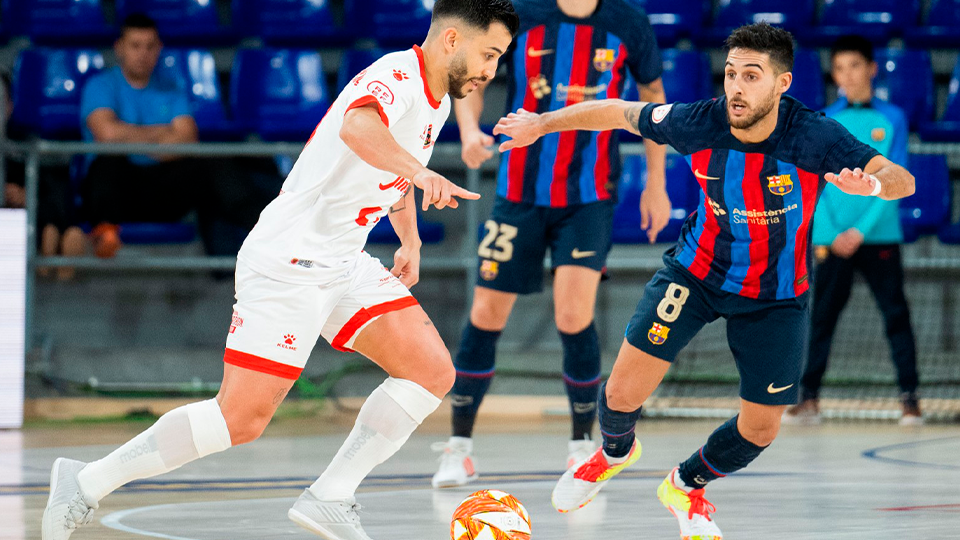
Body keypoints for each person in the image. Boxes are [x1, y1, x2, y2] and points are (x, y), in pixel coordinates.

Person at [41, 2, 518, 540]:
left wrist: (408, 237)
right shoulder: (395, 75)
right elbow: (360, 128)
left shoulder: (434, 100)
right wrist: (420, 173)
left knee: (432, 372)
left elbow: (391, 169)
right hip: (289, 260)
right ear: (452, 40)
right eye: (490, 53)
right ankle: (84, 481)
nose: (491, 70)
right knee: (238, 421)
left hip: (343, 260)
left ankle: (330, 497)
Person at [493, 23, 914, 539]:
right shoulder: (697, 120)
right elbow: (615, 111)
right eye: (732, 73)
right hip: (695, 274)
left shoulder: (816, 135)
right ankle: (613, 452)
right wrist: (542, 123)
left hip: (776, 296)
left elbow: (902, 179)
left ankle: (685, 485)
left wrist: (870, 183)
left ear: (782, 84)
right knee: (621, 393)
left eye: (751, 76)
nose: (736, 87)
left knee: (761, 429)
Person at [432, 0, 671, 488]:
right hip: (520, 192)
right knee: (485, 314)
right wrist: (471, 130)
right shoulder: (522, 13)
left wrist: (657, 184)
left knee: (572, 315)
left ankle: (583, 448)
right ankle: (459, 448)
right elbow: (470, 75)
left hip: (590, 196)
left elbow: (654, 103)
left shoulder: (627, 22)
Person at [783, 35, 921, 426]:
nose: (847, 75)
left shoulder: (892, 117)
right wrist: (833, 232)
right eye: (839, 68)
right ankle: (808, 398)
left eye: (855, 66)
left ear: (872, 69)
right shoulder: (823, 119)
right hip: (831, 239)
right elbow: (815, 186)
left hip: (879, 236)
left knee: (897, 317)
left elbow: (897, 180)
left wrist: (860, 231)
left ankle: (910, 400)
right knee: (820, 317)